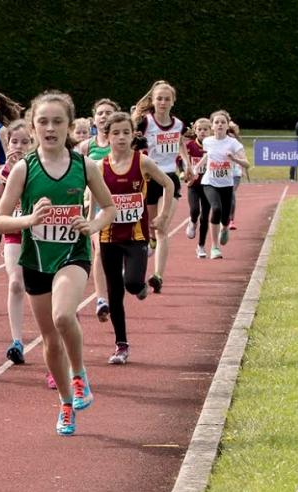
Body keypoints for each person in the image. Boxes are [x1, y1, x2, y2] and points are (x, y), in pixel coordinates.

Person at [0, 90, 115, 436]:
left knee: (64, 316)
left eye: (57, 121)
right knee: (48, 339)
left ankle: (79, 375)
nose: (50, 128)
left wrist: (92, 225)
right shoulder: (23, 168)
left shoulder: (84, 165)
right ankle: (65, 402)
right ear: (33, 126)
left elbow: (109, 208)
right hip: (36, 260)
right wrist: (30, 220)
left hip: (72, 255)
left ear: (70, 126)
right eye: (43, 121)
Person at [94, 112, 173, 364]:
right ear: (106, 137)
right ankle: (121, 345)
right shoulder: (99, 167)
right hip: (108, 237)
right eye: (115, 133)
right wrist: (91, 227)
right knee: (114, 293)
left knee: (132, 283)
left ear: (133, 135)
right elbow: (92, 200)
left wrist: (163, 216)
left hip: (136, 236)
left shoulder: (143, 162)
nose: (121, 137)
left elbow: (169, 184)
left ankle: (140, 288)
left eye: (126, 132)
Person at [132, 80, 193, 294]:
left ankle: (157, 276)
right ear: (153, 100)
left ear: (173, 101)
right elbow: (133, 142)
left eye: (167, 99)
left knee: (162, 228)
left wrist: (187, 164)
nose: (163, 102)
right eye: (159, 98)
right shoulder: (145, 122)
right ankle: (150, 242)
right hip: (148, 178)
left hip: (169, 179)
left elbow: (180, 143)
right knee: (149, 227)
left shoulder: (178, 124)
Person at [0, 120, 38, 370]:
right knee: (15, 283)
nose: (19, 146)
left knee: (42, 289)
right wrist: (5, 175)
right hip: (14, 232)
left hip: (39, 233)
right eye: (14, 142)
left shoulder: (39, 167)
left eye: (24, 142)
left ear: (33, 144)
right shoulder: (5, 170)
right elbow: (0, 205)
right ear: (7, 143)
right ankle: (17, 341)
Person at [77, 99, 119, 322]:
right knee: (100, 250)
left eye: (108, 113)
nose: (104, 116)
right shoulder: (86, 147)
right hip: (92, 205)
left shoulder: (119, 144)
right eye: (100, 113)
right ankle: (101, 299)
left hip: (119, 206)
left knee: (115, 253)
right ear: (94, 118)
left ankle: (116, 283)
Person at [196, 110, 249, 260]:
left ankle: (225, 228)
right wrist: (195, 168)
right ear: (212, 126)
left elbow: (247, 163)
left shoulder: (233, 143)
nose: (219, 124)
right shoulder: (207, 141)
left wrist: (234, 159)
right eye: (216, 122)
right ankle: (214, 247)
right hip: (209, 182)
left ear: (227, 126)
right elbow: (208, 155)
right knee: (216, 208)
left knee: (225, 217)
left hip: (226, 184)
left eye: (223, 122)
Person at [184, 118, 212, 258]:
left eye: (205, 129)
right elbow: (181, 160)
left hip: (208, 186)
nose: (202, 132)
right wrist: (184, 173)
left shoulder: (213, 146)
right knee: (195, 210)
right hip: (193, 186)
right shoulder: (190, 146)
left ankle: (201, 246)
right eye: (199, 129)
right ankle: (192, 221)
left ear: (210, 131)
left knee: (205, 217)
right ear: (195, 131)